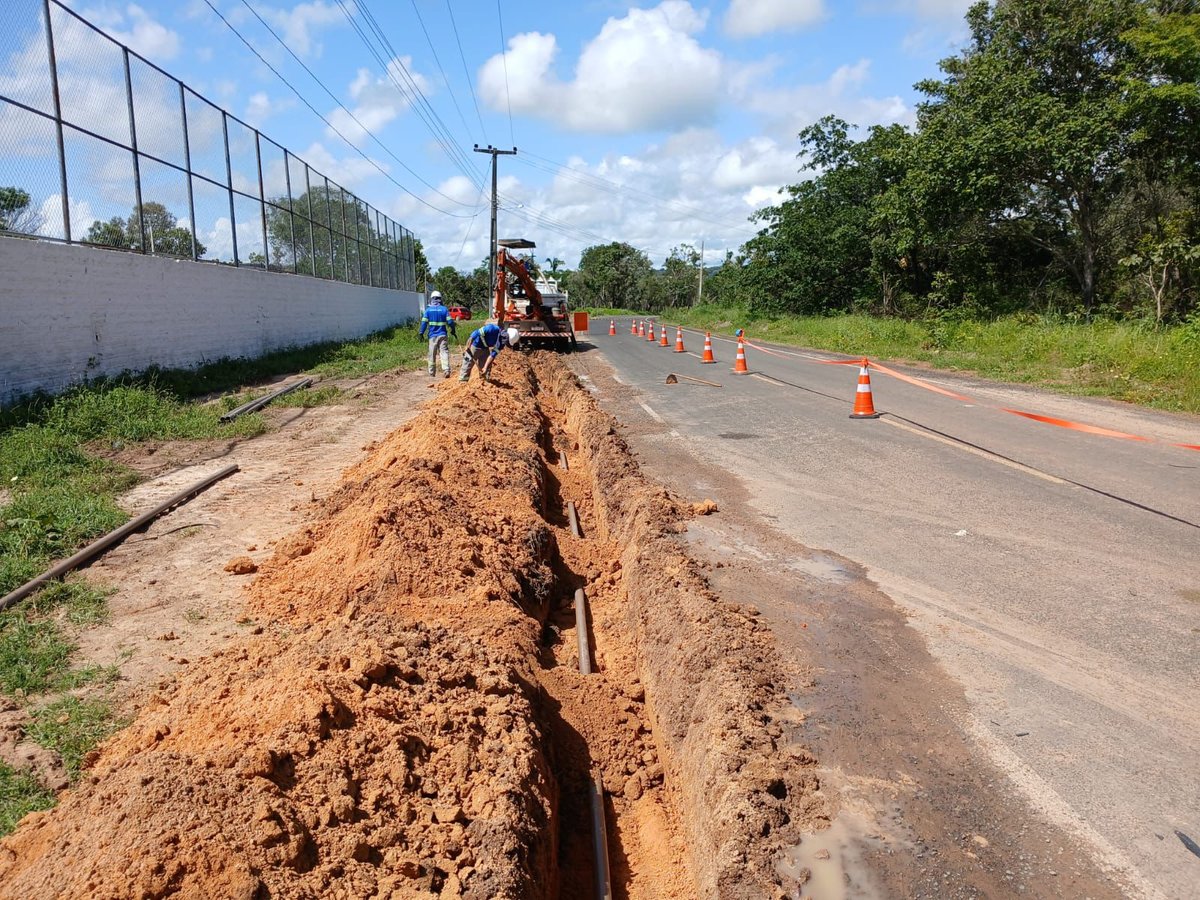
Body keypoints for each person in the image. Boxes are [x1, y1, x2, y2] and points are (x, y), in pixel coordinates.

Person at [418, 291, 457, 378]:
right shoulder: (444, 309)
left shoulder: (428, 310)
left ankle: (432, 372)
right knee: (444, 352)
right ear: (440, 299)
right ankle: (446, 370)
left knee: (432, 354)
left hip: (432, 336)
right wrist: (453, 330)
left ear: (432, 299)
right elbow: (450, 322)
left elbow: (424, 323)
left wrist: (421, 333)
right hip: (443, 335)